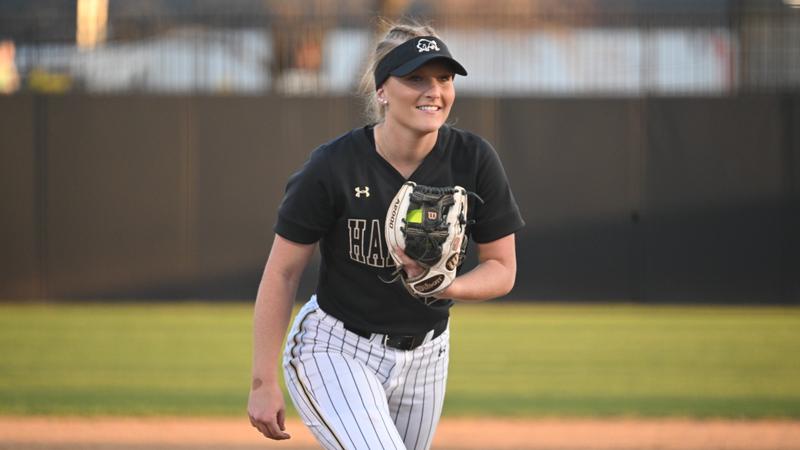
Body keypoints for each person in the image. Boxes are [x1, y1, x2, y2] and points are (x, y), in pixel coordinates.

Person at [248, 21, 525, 450]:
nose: (434, 90)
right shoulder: (333, 167)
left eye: (444, 78)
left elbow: (502, 268)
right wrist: (262, 381)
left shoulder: (473, 159)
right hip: (337, 348)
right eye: (415, 78)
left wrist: (450, 286)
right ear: (381, 91)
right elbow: (282, 273)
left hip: (428, 356)